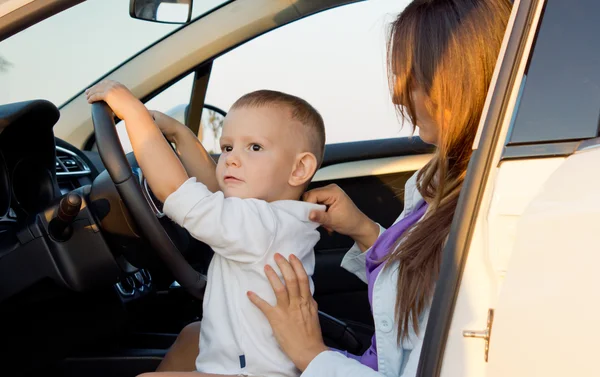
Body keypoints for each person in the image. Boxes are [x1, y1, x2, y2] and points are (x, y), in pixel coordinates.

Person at [145, 0, 513, 376]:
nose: (398, 96)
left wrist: (310, 354)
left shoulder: (495, 210)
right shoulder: (445, 181)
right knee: (195, 336)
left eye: (412, 77)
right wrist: (366, 232)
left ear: (459, 79)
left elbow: (432, 361)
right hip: (361, 359)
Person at [85, 85, 327, 377]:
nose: (232, 159)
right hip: (258, 362)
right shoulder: (278, 218)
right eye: (227, 148)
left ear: (299, 169)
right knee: (193, 336)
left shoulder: (260, 224)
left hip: (253, 373)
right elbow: (215, 191)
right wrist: (180, 134)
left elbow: (177, 192)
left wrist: (134, 114)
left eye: (255, 147)